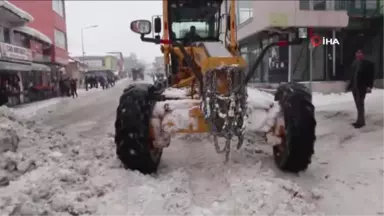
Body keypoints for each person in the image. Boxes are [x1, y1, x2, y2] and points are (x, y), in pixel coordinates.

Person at [347, 49, 375, 128]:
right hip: (354, 87)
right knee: (358, 105)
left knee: (360, 104)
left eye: (360, 53)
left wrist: (369, 86)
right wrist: (350, 85)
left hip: (362, 86)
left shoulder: (367, 64)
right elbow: (352, 76)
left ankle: (361, 122)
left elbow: (370, 76)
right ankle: (359, 120)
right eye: (357, 53)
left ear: (363, 54)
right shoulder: (354, 63)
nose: (358, 54)